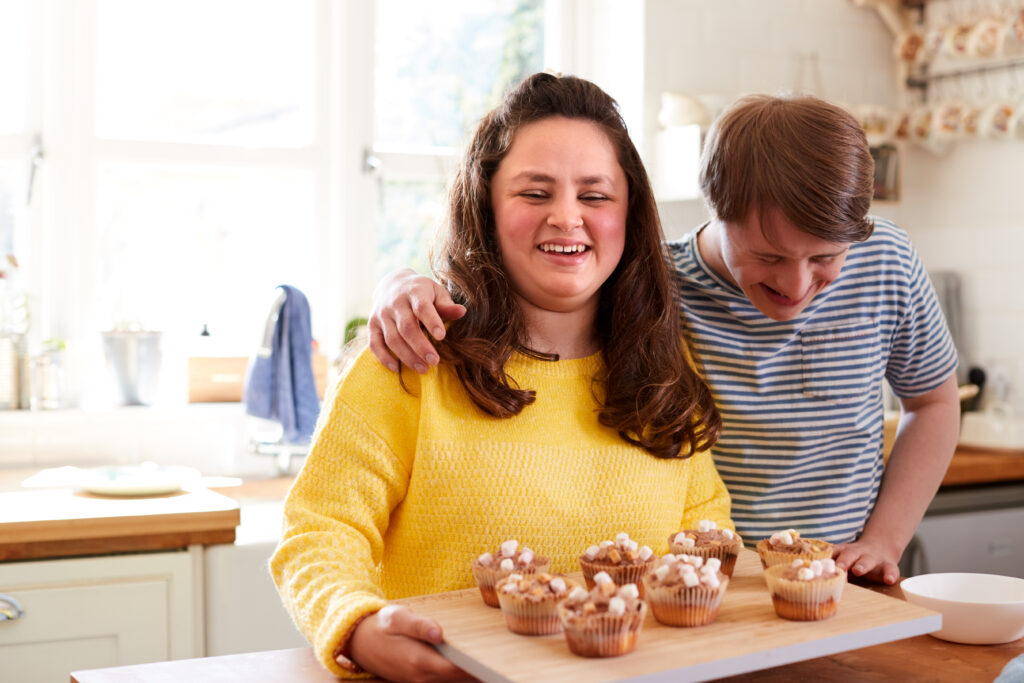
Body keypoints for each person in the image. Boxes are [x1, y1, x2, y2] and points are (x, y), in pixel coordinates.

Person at [367, 93, 961, 588]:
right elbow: (538, 292)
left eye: (825, 258)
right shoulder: (652, 285)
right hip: (704, 589)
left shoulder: (887, 262)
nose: (796, 283)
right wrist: (403, 282)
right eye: (767, 256)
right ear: (714, 211)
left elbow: (933, 403)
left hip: (846, 574)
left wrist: (883, 539)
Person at [271, 72, 733, 682]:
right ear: (486, 208)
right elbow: (320, 530)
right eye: (535, 193)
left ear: (630, 214)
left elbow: (707, 533)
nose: (567, 218)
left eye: (595, 196)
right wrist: (356, 623)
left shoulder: (664, 372)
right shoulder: (409, 359)